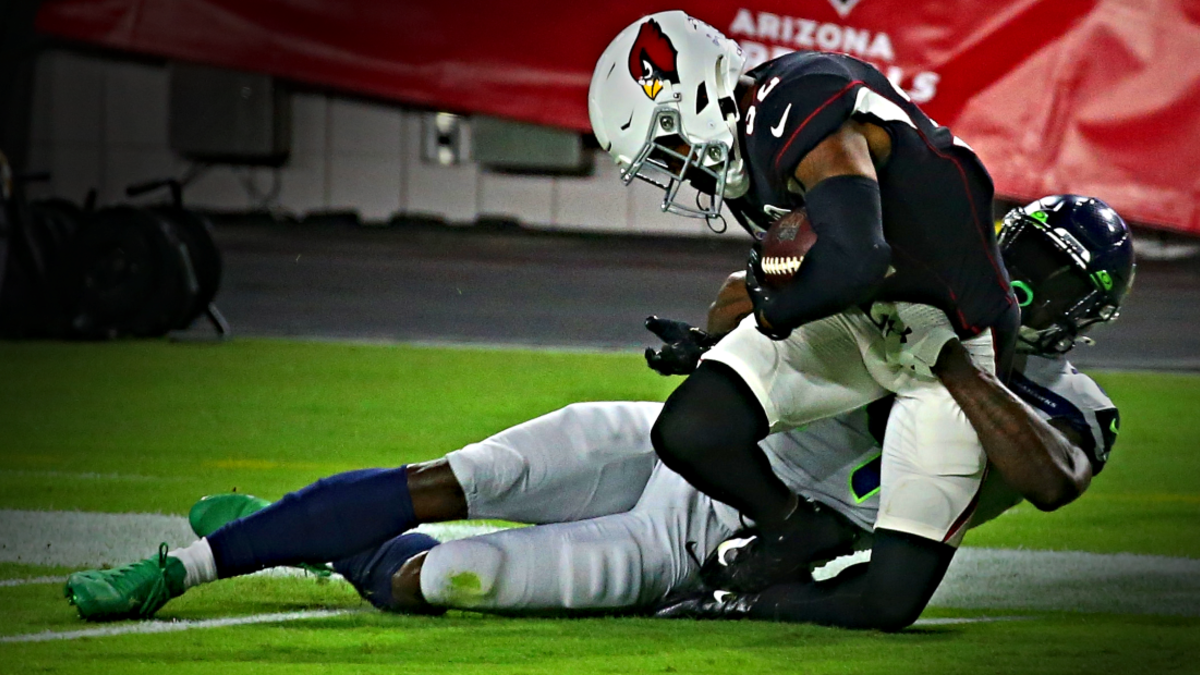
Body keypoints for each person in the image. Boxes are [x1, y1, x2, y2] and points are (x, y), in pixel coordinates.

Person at [64, 196, 1132, 627]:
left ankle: (332, 545)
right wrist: (807, 282)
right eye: (1018, 248)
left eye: (1043, 273)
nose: (1014, 274)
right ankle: (191, 566)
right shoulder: (919, 266)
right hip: (693, 448)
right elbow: (737, 309)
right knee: (457, 476)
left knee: (444, 575)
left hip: (719, 532)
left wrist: (950, 361)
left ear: (1081, 310)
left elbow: (1040, 475)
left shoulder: (1068, 403)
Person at [589, 10, 1019, 617]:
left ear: (697, 100)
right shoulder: (752, 152)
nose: (677, 164)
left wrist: (763, 317)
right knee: (690, 430)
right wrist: (710, 339)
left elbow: (857, 258)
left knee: (887, 604)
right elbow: (795, 273)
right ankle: (792, 527)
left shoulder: (800, 100)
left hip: (952, 341)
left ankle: (751, 606)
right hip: (861, 315)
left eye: (669, 141)